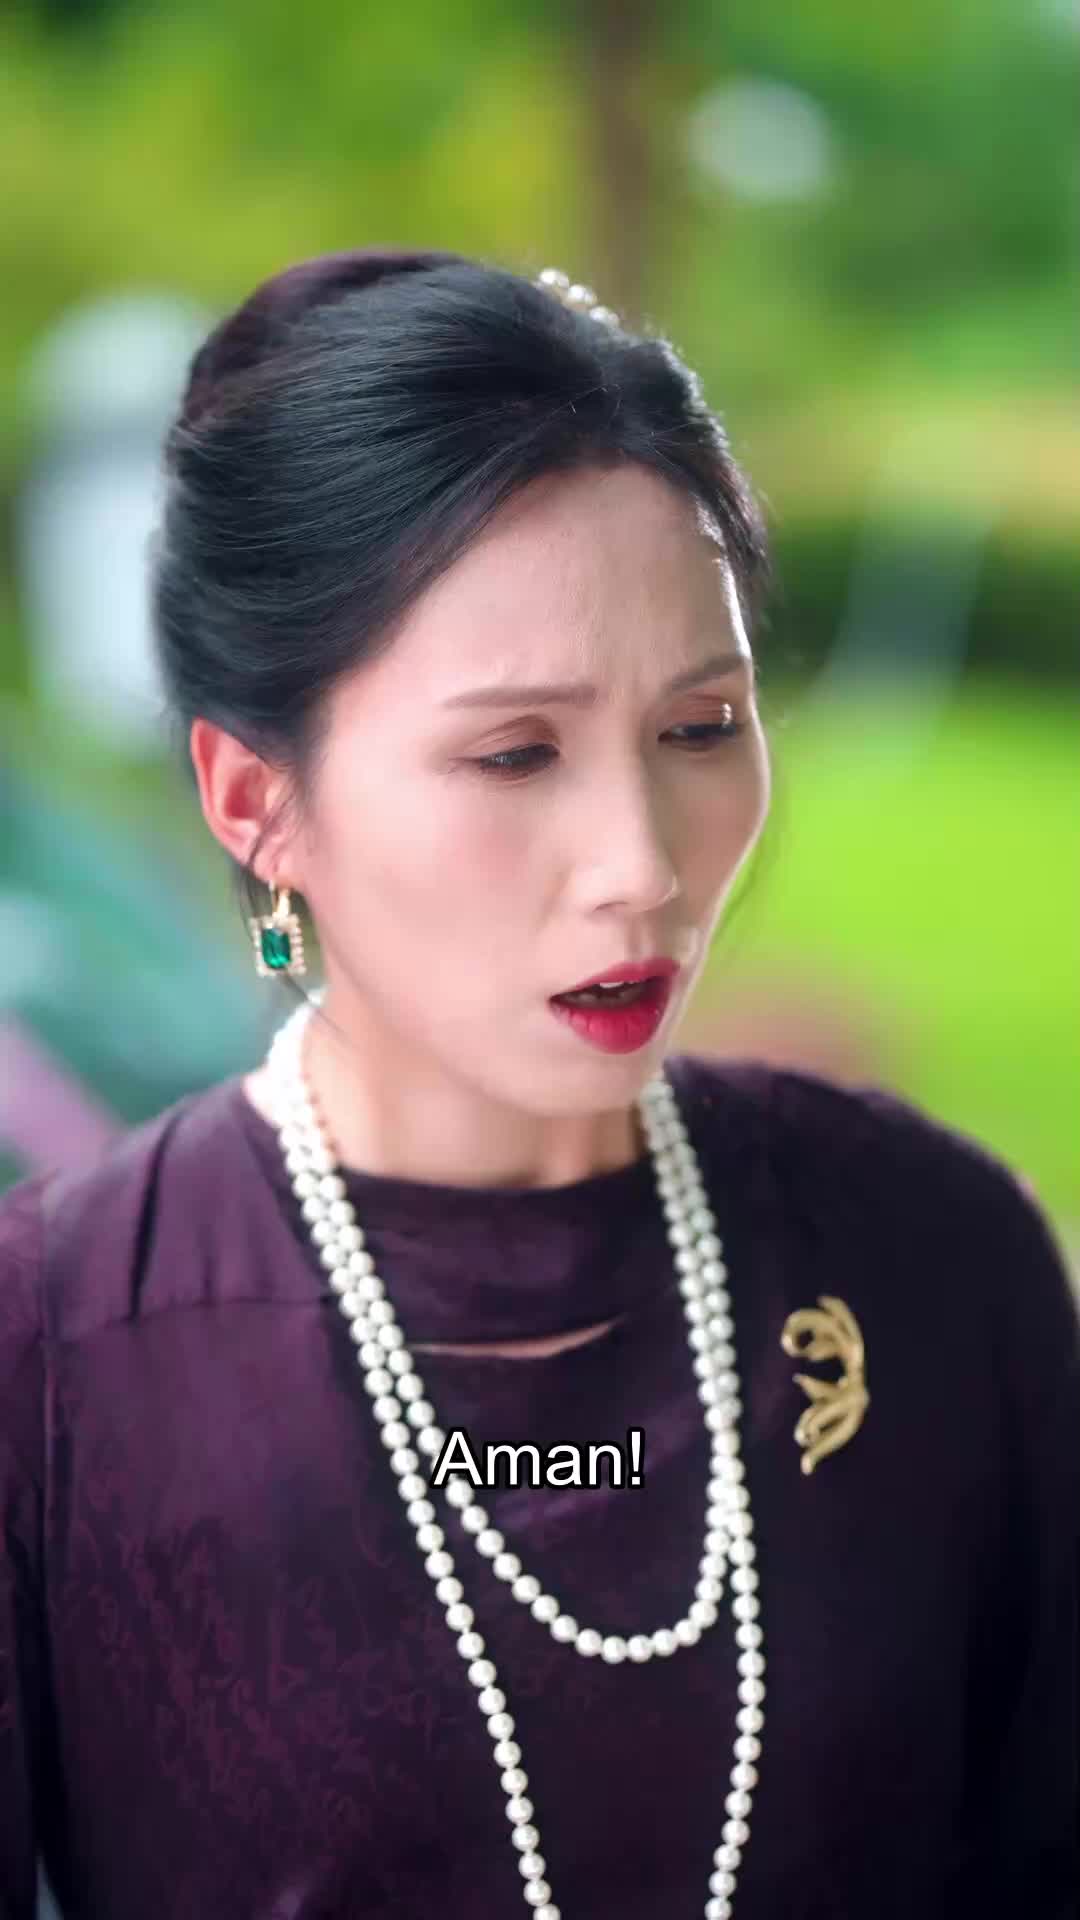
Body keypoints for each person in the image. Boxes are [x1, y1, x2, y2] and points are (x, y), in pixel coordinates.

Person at [0, 248, 1076, 1920]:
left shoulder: (937, 1258)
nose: (641, 865)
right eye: (515, 754)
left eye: (701, 727)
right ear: (255, 802)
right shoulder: (57, 1357)